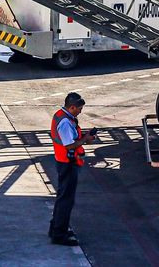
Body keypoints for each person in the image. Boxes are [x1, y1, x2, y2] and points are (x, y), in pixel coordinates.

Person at [48, 92, 96, 247]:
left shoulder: (61, 115)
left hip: (64, 162)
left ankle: (56, 228)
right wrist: (85, 140)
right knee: (66, 200)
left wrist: (83, 137)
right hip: (67, 163)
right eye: (79, 109)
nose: (80, 111)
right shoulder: (66, 123)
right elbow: (69, 145)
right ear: (72, 107)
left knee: (63, 197)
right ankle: (59, 234)